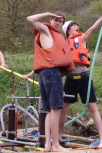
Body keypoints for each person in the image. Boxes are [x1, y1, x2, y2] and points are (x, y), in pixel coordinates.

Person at [59, 7, 102, 147]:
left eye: (77, 25)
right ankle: (58, 136)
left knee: (92, 107)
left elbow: (93, 28)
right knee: (63, 107)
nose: (77, 27)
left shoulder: (81, 38)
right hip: (71, 79)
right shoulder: (64, 43)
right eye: (74, 26)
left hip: (84, 78)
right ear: (68, 30)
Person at [26, 11, 74, 152]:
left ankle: (47, 145)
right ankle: (56, 145)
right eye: (54, 19)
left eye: (60, 20)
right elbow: (30, 18)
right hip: (51, 73)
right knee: (55, 108)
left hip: (46, 74)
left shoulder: (56, 35)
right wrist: (47, 13)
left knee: (49, 110)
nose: (57, 22)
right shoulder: (46, 30)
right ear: (50, 20)